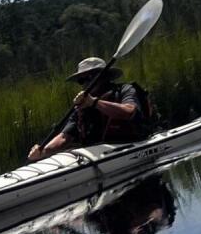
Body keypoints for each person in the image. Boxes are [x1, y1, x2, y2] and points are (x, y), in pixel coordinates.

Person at [27, 56, 155, 161]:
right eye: (81, 80)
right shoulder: (81, 107)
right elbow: (65, 137)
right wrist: (44, 151)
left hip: (131, 145)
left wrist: (95, 102)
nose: (86, 83)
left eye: (90, 77)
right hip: (99, 155)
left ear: (104, 76)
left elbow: (129, 112)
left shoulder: (125, 90)